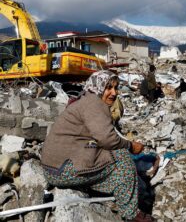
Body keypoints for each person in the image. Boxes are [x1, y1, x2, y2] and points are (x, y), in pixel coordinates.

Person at [41, 70, 154, 222]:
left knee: (106, 155)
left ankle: (101, 191)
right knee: (122, 158)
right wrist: (130, 146)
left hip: (52, 169)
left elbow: (100, 135)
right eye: (109, 88)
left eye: (116, 87)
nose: (114, 93)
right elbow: (107, 139)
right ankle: (131, 214)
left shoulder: (86, 99)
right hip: (62, 171)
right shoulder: (94, 104)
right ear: (98, 87)